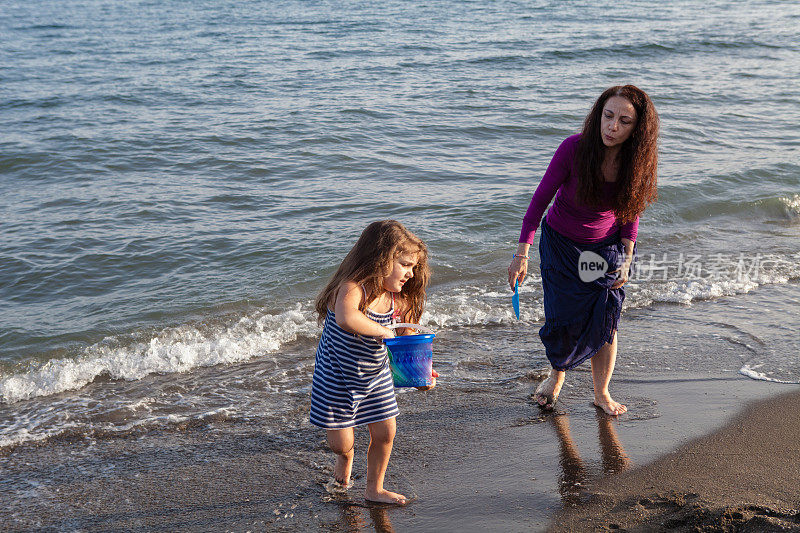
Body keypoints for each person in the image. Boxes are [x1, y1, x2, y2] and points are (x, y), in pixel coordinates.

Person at [508, 85, 659, 416]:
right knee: (564, 319)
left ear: (638, 128)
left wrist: (626, 257)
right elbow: (539, 202)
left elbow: (630, 214)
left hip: (605, 250)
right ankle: (556, 376)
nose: (612, 127)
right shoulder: (574, 149)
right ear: (598, 115)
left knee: (606, 317)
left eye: (624, 121)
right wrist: (522, 253)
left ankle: (601, 393)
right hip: (561, 245)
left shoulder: (637, 162)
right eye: (608, 116)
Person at [310, 220, 438, 505]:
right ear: (380, 259)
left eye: (414, 267)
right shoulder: (352, 289)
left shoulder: (399, 301)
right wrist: (382, 330)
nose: (411, 273)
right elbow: (347, 318)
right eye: (405, 264)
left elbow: (406, 344)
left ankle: (374, 488)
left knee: (385, 433)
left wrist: (420, 374)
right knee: (341, 445)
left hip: (375, 375)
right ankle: (345, 461)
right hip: (337, 376)